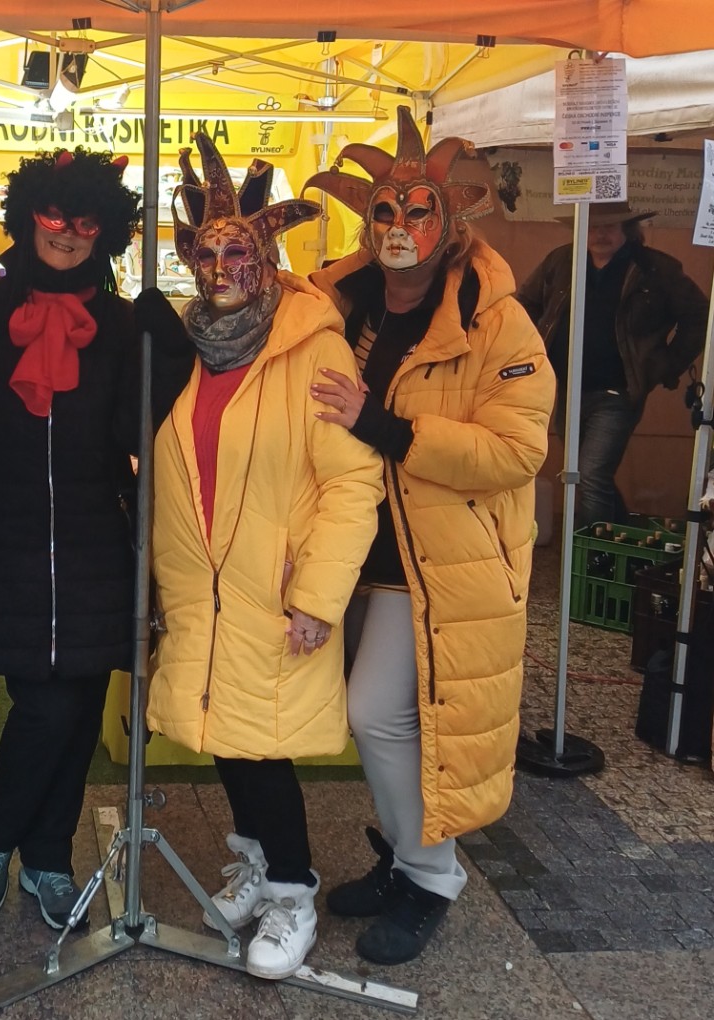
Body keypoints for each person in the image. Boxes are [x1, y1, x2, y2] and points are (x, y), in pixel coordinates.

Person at [305, 106, 555, 965]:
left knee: (375, 712)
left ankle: (431, 874)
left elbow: (517, 452)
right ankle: (403, 852)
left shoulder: (496, 321)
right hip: (352, 546)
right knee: (380, 721)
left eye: (418, 212)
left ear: (451, 224)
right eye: (385, 211)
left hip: (441, 559)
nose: (400, 227)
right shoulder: (335, 305)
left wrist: (385, 425)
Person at [146, 133, 385, 981]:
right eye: (206, 253)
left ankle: (292, 893)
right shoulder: (187, 348)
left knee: (265, 744)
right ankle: (255, 862)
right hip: (201, 586)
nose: (220, 268)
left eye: (237, 252)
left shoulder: (312, 347)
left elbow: (352, 482)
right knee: (225, 729)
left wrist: (318, 594)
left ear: (268, 258)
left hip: (273, 587)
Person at [0, 147, 191, 930]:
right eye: (54, 215)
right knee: (47, 703)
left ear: (106, 229)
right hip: (4, 534)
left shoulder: (120, 323)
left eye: (86, 220)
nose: (68, 232)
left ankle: (41, 853)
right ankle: (6, 842)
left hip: (96, 536)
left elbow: (135, 430)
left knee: (78, 703)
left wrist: (167, 353)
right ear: (26, 217)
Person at [517, 200, 708, 526]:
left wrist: (665, 364)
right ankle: (623, 535)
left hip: (618, 393)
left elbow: (700, 316)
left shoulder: (656, 269)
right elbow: (523, 304)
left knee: (590, 473)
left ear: (628, 229)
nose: (599, 234)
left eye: (609, 226)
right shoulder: (561, 260)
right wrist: (532, 350)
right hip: (566, 387)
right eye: (592, 226)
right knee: (585, 472)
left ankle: (593, 552)